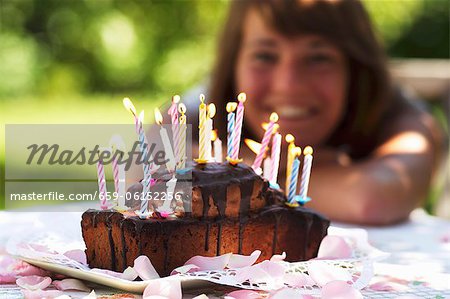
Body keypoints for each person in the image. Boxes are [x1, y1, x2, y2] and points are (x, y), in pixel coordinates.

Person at [199, 0, 446, 225]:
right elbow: (161, 166)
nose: (289, 85)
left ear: (355, 69)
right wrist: (278, 171)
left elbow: (372, 199)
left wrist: (241, 178)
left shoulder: (398, 113)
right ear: (233, 65)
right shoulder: (204, 105)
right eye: (264, 56)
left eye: (318, 58)